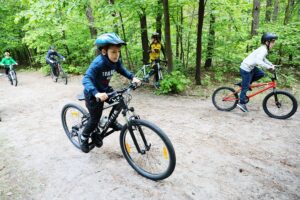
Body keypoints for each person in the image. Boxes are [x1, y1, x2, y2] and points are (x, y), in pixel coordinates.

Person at [81, 32, 141, 153]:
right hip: (93, 95)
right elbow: (86, 79)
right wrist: (96, 93)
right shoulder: (98, 63)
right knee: (94, 119)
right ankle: (84, 137)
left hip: (105, 90)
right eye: (113, 52)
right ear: (104, 51)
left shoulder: (115, 61)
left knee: (120, 101)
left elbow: (121, 69)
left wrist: (132, 77)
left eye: (118, 51)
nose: (116, 55)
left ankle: (111, 121)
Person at [237, 32, 278, 112]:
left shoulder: (264, 49)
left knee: (261, 73)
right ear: (267, 42)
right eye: (272, 42)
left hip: (251, 67)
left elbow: (263, 59)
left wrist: (270, 64)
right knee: (245, 88)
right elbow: (259, 61)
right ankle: (241, 103)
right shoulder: (263, 50)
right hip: (246, 69)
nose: (274, 44)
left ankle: (244, 83)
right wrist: (269, 67)